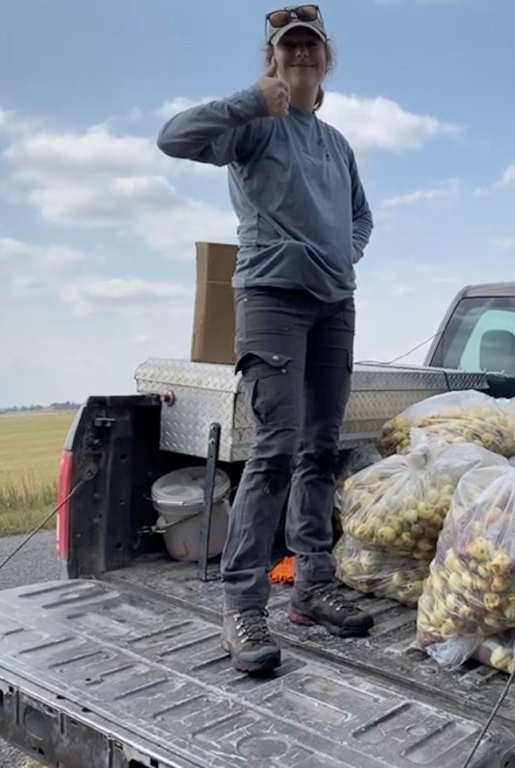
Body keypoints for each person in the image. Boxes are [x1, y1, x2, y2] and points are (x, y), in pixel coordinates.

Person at [157, 4, 374, 675]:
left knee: (320, 449)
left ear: (326, 59)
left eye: (311, 45)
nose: (301, 53)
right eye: (289, 46)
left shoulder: (336, 144)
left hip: (334, 304)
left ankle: (312, 586)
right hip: (271, 299)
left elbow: (362, 217)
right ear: (272, 58)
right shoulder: (254, 124)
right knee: (275, 450)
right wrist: (251, 100)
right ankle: (243, 605)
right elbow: (172, 138)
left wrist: (344, 252)